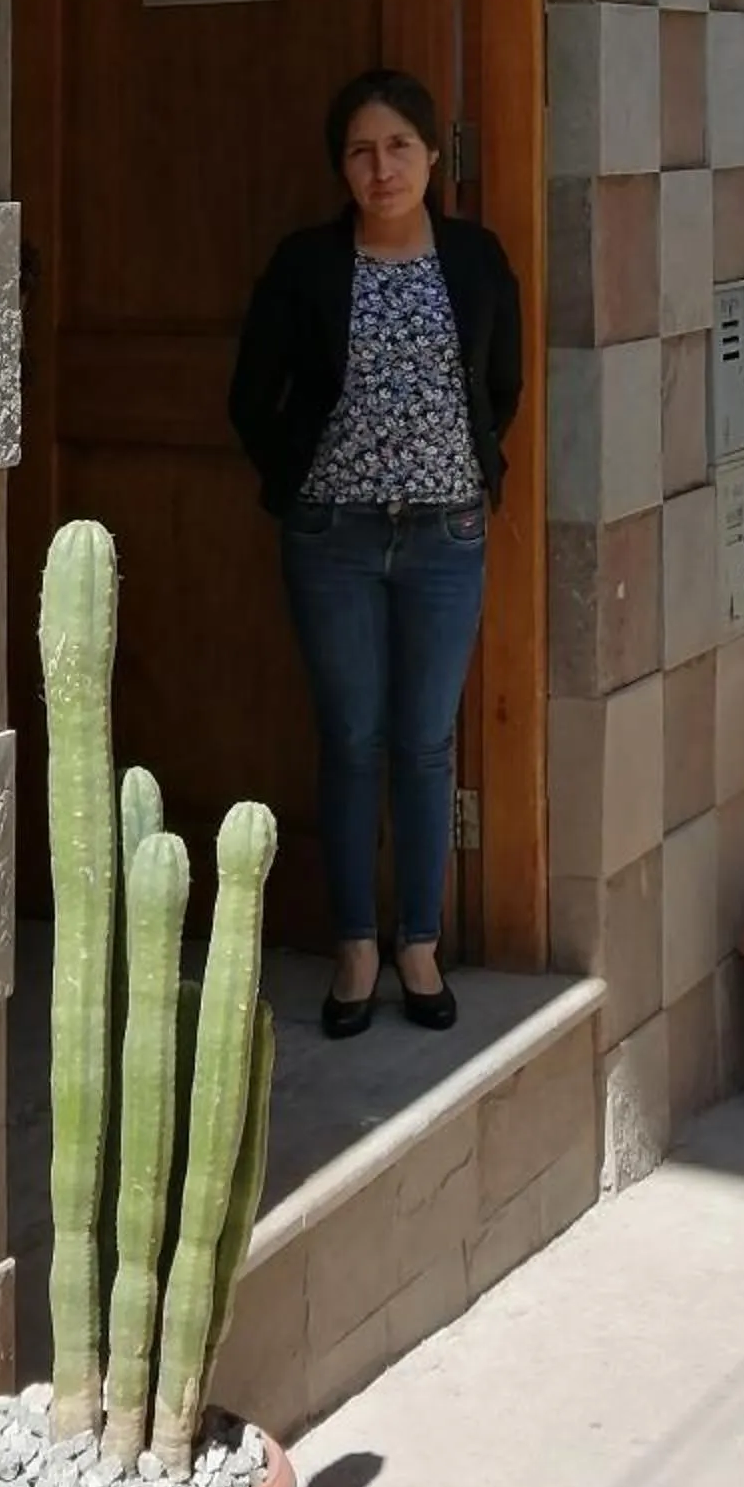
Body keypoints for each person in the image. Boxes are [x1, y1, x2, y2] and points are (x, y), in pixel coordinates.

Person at [228, 67, 523, 1040]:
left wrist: (474, 471)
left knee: (426, 743)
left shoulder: (475, 260)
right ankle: (356, 943)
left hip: (445, 537)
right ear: (341, 166)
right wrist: (299, 484)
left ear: (433, 155)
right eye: (361, 150)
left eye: (400, 146)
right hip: (335, 542)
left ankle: (419, 943)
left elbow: (504, 385)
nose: (382, 167)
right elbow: (251, 395)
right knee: (352, 740)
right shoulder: (308, 263)